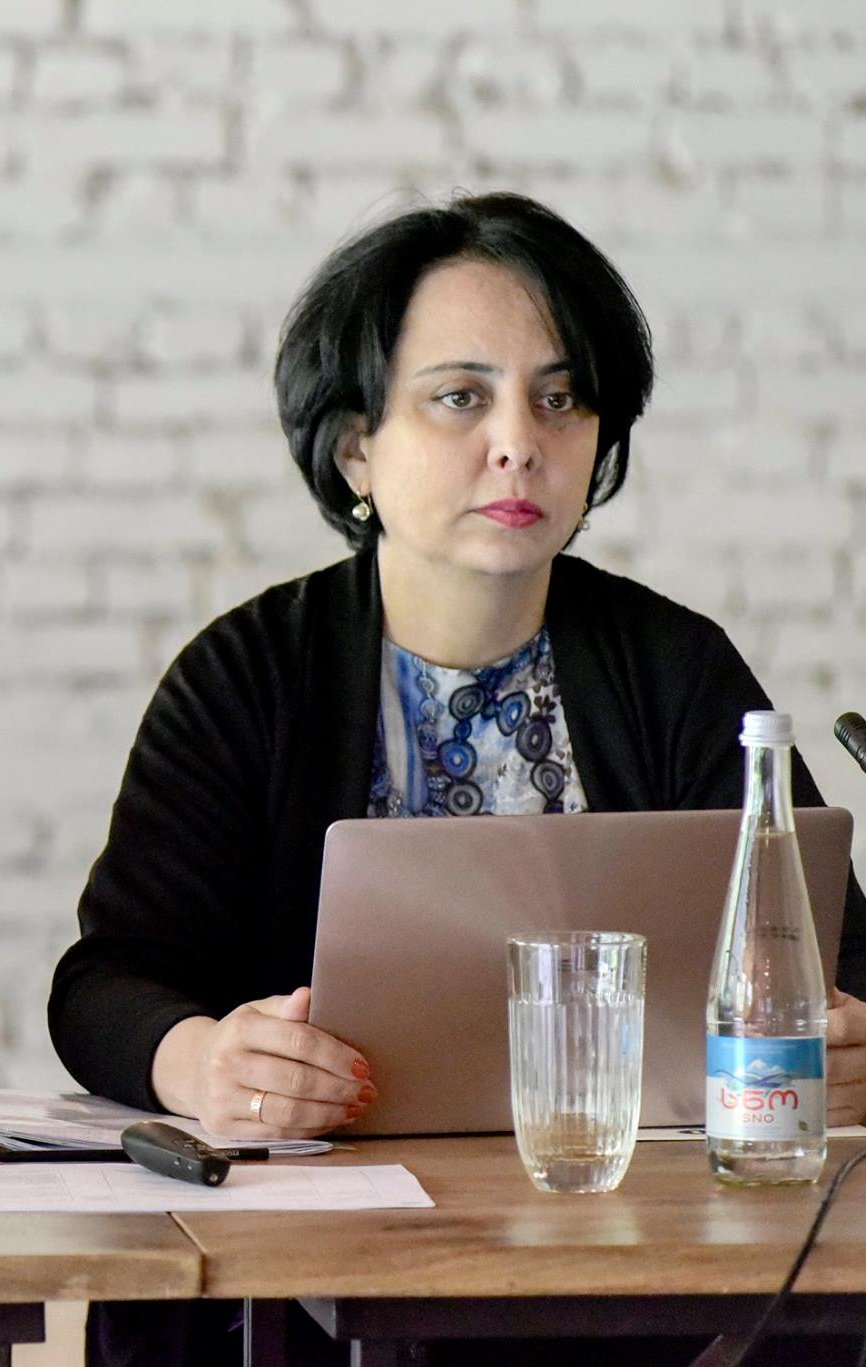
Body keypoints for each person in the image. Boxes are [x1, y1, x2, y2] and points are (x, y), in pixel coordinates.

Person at [50, 192, 866, 1366]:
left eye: (558, 397)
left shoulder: (673, 667)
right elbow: (103, 979)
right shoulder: (247, 675)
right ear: (355, 446)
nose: (517, 440)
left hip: (635, 1265)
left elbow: (836, 956)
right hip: (313, 1268)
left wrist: (846, 1044)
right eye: (459, 397)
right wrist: (200, 1061)